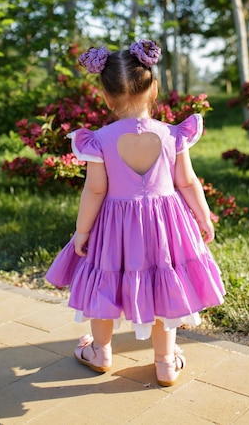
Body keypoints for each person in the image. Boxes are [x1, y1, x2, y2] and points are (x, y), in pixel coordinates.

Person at [46, 39, 225, 386]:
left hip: (115, 229)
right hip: (166, 226)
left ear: (107, 98)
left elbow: (95, 190)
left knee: (105, 280)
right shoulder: (173, 135)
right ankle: (165, 362)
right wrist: (203, 216)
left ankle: (100, 351)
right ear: (153, 87)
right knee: (161, 283)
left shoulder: (98, 140)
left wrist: (82, 232)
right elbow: (187, 182)